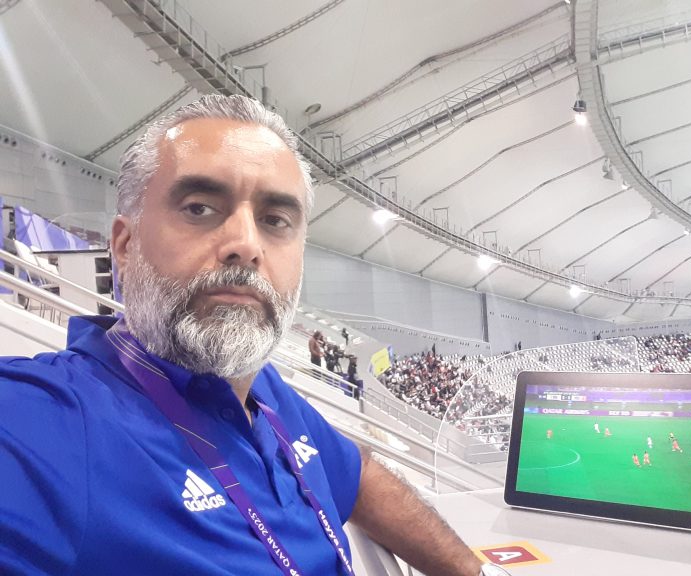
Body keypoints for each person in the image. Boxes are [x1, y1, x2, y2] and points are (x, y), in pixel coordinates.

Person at [0, 95, 497, 576]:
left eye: (275, 220)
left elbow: (358, 474)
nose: (245, 244)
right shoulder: (45, 420)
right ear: (125, 246)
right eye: (199, 208)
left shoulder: (264, 389)